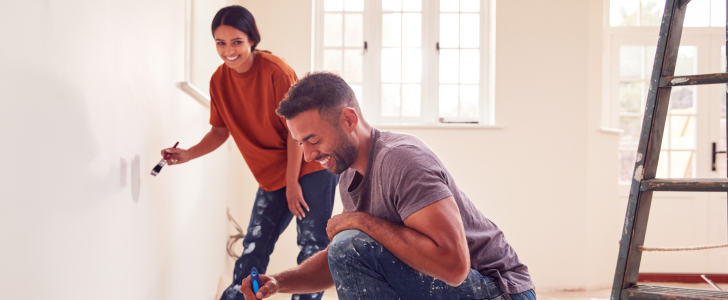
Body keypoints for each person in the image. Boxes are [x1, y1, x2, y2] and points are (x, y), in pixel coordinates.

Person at [239, 72, 535, 300]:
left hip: (500, 291)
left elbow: (455, 267)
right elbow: (340, 261)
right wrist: (280, 282)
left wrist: (360, 221)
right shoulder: (349, 177)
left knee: (349, 243)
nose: (308, 155)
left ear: (348, 119)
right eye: (300, 143)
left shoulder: (403, 160)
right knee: (347, 246)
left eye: (314, 140)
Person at [159, 6, 338, 300]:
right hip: (272, 175)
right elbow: (220, 130)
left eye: (236, 42)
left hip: (311, 166)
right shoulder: (218, 81)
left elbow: (298, 134)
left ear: (251, 40)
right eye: (220, 43)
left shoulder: (276, 71)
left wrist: (293, 183)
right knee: (253, 249)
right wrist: (188, 154)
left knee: (311, 247)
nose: (229, 50)